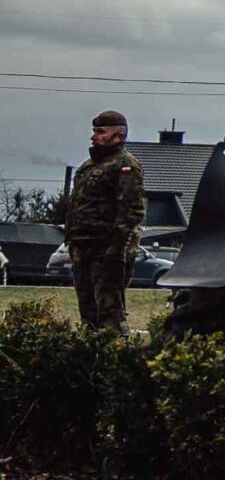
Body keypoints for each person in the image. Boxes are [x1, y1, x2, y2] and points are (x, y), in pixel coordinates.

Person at [63, 111, 148, 332]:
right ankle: (91, 355)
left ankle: (114, 355)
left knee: (109, 310)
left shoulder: (126, 166)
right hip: (83, 245)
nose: (94, 136)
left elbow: (131, 211)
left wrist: (116, 249)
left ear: (118, 136)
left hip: (107, 248)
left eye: (101, 132)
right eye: (94, 132)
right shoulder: (88, 166)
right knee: (88, 309)